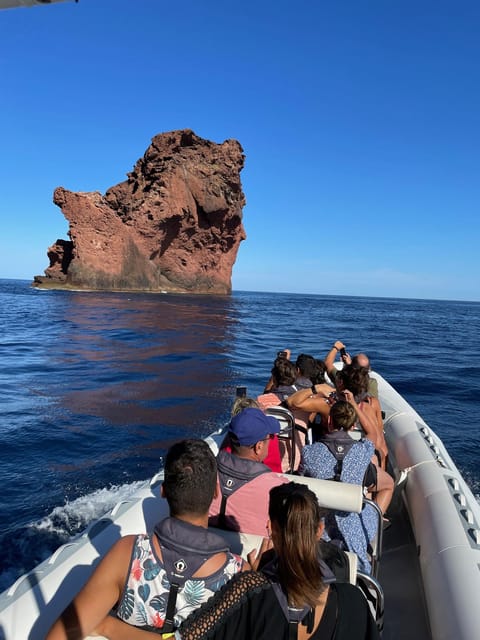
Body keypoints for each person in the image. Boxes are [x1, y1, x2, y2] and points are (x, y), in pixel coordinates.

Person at [47, 439, 246, 640]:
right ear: (216, 492)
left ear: (163, 491)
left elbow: (58, 636)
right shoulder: (239, 574)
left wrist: (107, 626)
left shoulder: (127, 554)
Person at [176, 482, 380, 640]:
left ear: (272, 529)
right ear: (319, 530)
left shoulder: (249, 592)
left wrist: (257, 580)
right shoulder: (354, 602)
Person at [299, 399, 392, 573]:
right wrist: (355, 406)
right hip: (355, 529)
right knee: (374, 509)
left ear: (328, 421)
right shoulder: (362, 451)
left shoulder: (309, 453)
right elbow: (373, 433)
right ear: (353, 425)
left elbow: (301, 480)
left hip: (319, 526)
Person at [208, 408, 288, 535]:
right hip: (256, 553)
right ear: (259, 447)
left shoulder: (204, 473)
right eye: (270, 438)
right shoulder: (277, 488)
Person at [257, 357, 310, 471]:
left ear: (274, 380)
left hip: (267, 463)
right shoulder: (305, 403)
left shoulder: (261, 402)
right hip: (296, 463)